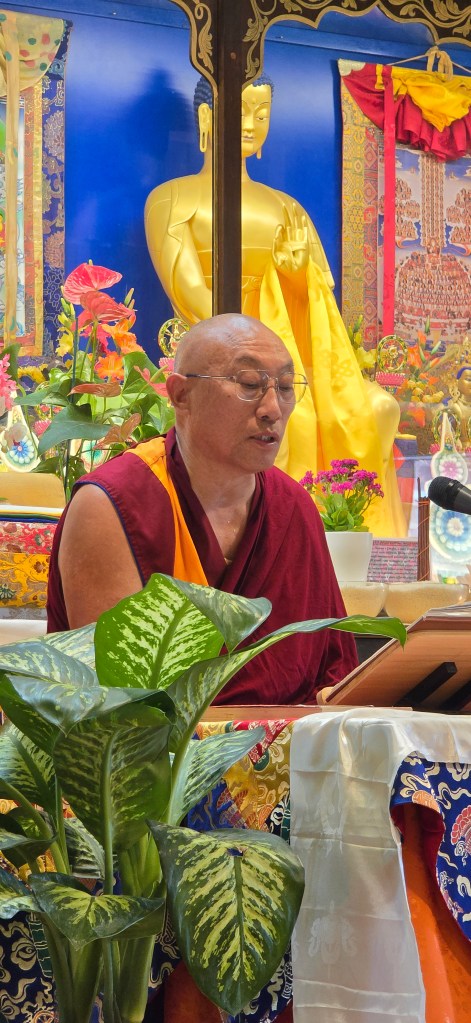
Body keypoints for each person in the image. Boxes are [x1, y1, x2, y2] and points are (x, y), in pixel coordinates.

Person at [47, 313, 358, 705]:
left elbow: (336, 676)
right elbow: (115, 706)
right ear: (181, 394)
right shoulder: (114, 504)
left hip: (292, 743)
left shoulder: (293, 508)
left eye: (284, 387)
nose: (272, 409)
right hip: (161, 746)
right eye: (250, 384)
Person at [144, 74, 406, 536]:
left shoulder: (288, 208)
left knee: (380, 407)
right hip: (225, 359)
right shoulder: (172, 198)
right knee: (293, 413)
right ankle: (281, 535)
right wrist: (253, 359)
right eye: (240, 110)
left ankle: (362, 539)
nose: (250, 123)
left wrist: (296, 275)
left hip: (292, 354)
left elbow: (319, 304)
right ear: (206, 116)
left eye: (261, 114)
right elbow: (189, 294)